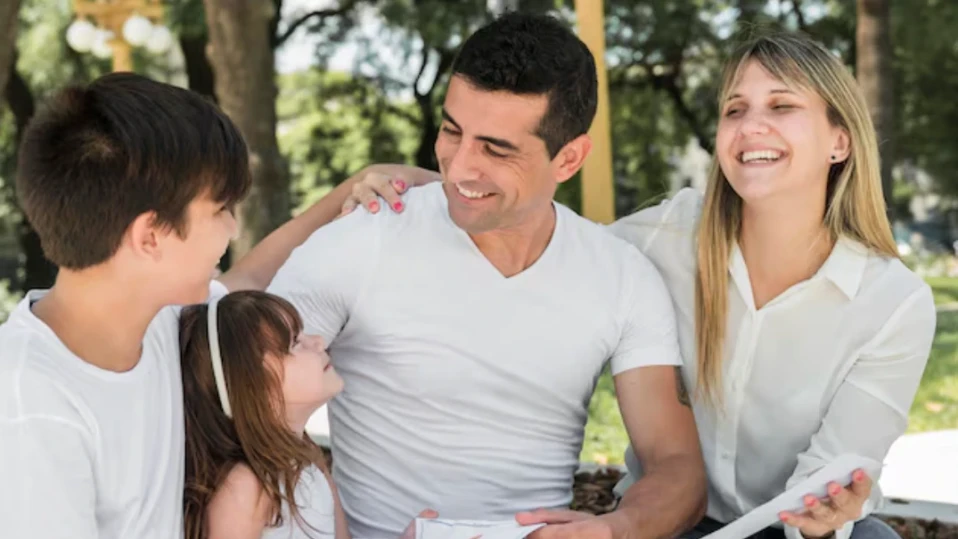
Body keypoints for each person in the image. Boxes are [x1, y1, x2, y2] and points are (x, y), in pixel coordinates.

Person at [339, 31, 936, 539]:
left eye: (781, 106)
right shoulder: (665, 238)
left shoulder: (893, 303)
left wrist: (828, 513)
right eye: (734, 110)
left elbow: (830, 476)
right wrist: (404, 182)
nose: (751, 126)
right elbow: (541, 231)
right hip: (670, 523)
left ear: (840, 140)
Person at [266, 12, 706, 539]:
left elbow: (677, 467)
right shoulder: (364, 238)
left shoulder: (622, 275)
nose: (458, 168)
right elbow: (239, 407)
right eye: (452, 131)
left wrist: (616, 529)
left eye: (496, 149)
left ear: (569, 158)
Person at [0, 73, 396, 538]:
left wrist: (358, 187)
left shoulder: (158, 317)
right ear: (151, 237)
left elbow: (253, 274)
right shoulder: (29, 407)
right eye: (220, 209)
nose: (233, 228)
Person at [179, 290, 433, 539]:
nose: (319, 341)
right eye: (295, 342)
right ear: (252, 387)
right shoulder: (245, 488)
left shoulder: (309, 459)